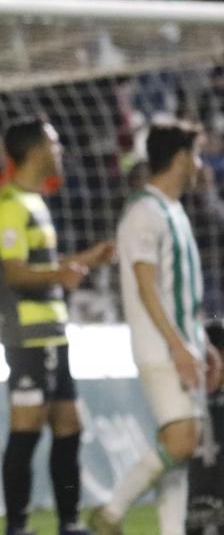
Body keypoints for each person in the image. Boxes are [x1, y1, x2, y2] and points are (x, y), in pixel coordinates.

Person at [89, 122, 224, 535]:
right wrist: (179, 347)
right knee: (184, 439)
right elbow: (147, 288)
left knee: (181, 450)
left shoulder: (173, 209)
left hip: (183, 344)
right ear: (181, 158)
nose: (199, 164)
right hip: (160, 347)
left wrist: (203, 343)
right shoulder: (144, 212)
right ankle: (110, 513)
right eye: (196, 155)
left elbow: (178, 292)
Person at [0, 117, 114, 535]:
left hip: (53, 335)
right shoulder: (9, 205)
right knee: (26, 429)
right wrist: (63, 275)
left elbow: (39, 265)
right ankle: (17, 527)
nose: (60, 151)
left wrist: (85, 259)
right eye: (55, 143)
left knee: (68, 425)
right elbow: (16, 273)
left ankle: (69, 523)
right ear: (36, 150)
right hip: (27, 336)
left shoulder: (35, 202)